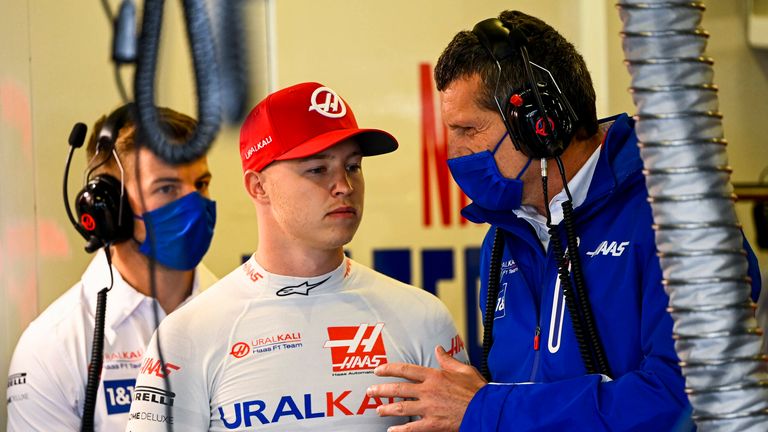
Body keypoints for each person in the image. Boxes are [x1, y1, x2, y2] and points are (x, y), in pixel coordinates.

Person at [367, 10, 763, 431]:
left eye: (467, 129)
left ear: (541, 124)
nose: (454, 151)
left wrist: (487, 410)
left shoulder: (678, 218)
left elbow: (688, 398)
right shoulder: (505, 235)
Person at [125, 81, 468, 431]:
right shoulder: (185, 337)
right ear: (258, 186)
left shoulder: (422, 318)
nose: (344, 187)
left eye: (353, 166)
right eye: (318, 169)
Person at [6, 105, 218, 431]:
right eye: (167, 188)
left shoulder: (241, 311)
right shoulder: (53, 348)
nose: (193, 204)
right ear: (109, 208)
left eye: (201, 183)